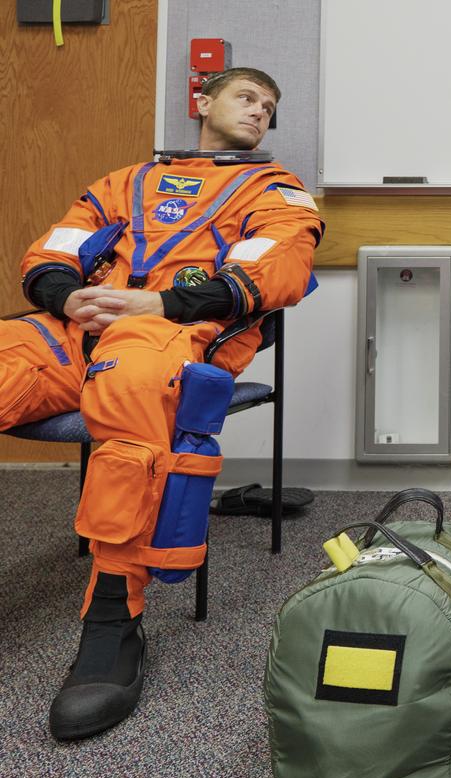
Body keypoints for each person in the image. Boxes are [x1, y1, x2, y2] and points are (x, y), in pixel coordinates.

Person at [4, 67, 322, 739]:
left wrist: (156, 302)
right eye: (246, 97)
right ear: (202, 102)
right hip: (73, 329)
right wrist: (68, 297)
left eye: (270, 106)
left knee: (131, 393)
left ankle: (113, 620)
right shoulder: (128, 182)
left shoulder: (277, 190)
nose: (260, 111)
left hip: (168, 334)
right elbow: (55, 248)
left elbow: (273, 271)